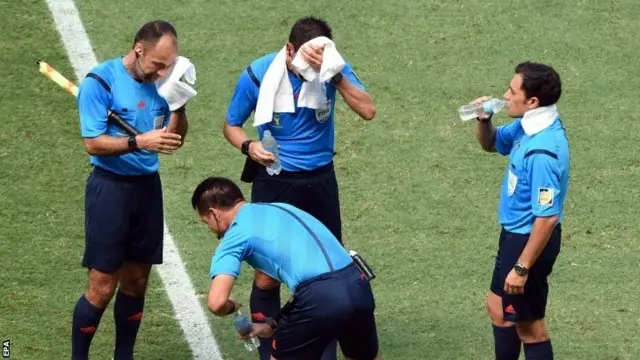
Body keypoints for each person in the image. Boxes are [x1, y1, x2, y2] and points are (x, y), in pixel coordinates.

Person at [222, 16, 375, 360]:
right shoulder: (259, 73)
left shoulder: (332, 70)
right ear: (289, 49)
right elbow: (231, 124)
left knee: (328, 266)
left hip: (320, 180)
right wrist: (248, 147)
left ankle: (323, 347)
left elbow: (368, 110)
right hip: (275, 180)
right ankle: (268, 349)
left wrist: (334, 76)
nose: (311, 68)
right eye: (306, 59)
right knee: (266, 275)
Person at [71, 20, 195, 360]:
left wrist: (179, 107)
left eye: (168, 65)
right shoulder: (101, 81)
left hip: (146, 190)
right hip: (110, 190)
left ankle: (123, 355)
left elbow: (176, 140)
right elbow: (93, 144)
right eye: (157, 64)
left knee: (137, 281)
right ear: (138, 49)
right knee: (102, 285)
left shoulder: (166, 84)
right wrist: (140, 140)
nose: (162, 72)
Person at [191, 177, 380, 360]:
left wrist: (231, 306)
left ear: (214, 213)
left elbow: (216, 303)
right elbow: (318, 279)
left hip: (319, 299)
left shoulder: (235, 235)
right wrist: (273, 324)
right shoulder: (282, 208)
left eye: (205, 221)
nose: (210, 228)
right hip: (358, 284)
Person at [472, 61, 569, 360]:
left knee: (530, 328)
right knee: (498, 309)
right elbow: (493, 143)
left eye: (512, 91)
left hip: (529, 244)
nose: (505, 95)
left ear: (533, 101)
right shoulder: (529, 124)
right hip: (514, 236)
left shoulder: (543, 152)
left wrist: (522, 268)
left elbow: (547, 216)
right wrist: (483, 119)